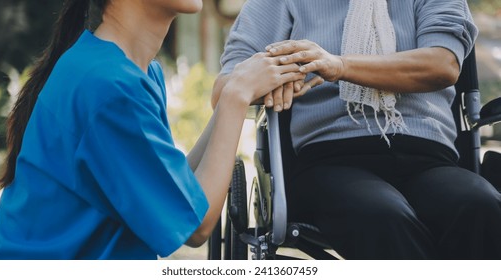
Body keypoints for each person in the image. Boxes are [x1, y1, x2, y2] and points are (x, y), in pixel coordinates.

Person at [0, 0, 306, 260]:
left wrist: (238, 88)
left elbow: (176, 192)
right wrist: (236, 97)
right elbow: (196, 227)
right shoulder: (109, 87)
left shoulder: (133, 72)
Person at [212, 0, 501, 259]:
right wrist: (273, 76)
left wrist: (338, 65)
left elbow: (444, 64)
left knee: (481, 205)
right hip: (330, 159)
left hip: (429, 157)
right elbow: (226, 88)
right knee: (381, 215)